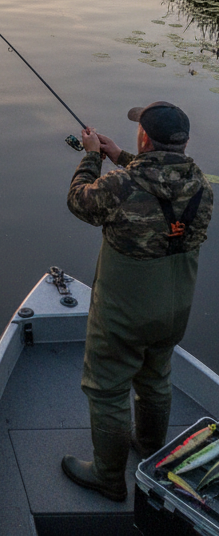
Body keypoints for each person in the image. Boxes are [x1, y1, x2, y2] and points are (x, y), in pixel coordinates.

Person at [61, 100, 213, 502]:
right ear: (183, 142)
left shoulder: (120, 187)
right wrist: (118, 155)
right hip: (174, 311)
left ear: (144, 137)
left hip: (124, 314)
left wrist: (92, 158)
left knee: (107, 390)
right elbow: (160, 183)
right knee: (155, 378)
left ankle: (108, 478)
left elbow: (79, 201)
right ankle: (148, 447)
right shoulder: (201, 185)